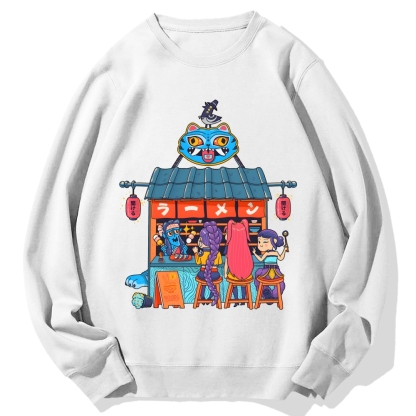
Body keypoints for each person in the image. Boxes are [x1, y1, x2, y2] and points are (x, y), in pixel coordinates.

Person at [252, 229, 288, 303]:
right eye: (259, 242)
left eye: (265, 242)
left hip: (271, 271)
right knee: (258, 276)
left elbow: (280, 258)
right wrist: (255, 253)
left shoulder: (270, 253)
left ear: (274, 241)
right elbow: (261, 259)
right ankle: (267, 292)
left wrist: (284, 250)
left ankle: (273, 294)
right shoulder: (271, 253)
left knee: (258, 275)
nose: (261, 244)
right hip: (273, 271)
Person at [223, 219, 254, 307]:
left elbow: (227, 262)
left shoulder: (230, 248)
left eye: (227, 234)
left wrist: (225, 273)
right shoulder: (245, 248)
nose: (225, 236)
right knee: (243, 284)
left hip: (234, 275)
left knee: (233, 283)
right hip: (246, 274)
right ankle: (243, 299)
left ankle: (236, 299)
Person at [192, 221, 222, 306]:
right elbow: (220, 262)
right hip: (215, 275)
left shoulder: (202, 253)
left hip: (203, 274)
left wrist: (196, 253)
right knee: (212, 283)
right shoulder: (218, 253)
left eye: (201, 239)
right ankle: (211, 296)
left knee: (204, 283)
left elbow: (198, 262)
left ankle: (202, 297)